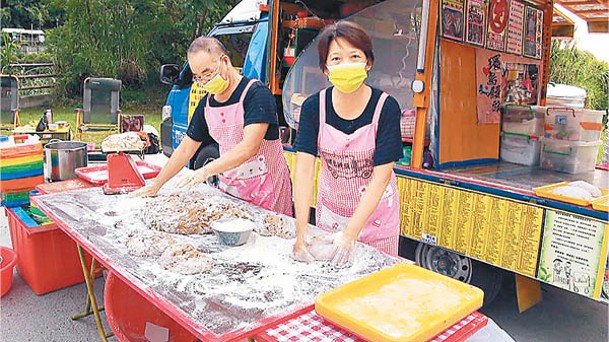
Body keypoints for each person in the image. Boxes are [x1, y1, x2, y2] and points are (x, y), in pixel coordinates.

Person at [132, 36, 292, 216]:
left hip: (267, 194)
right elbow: (186, 149)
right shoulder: (207, 104)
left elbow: (249, 147)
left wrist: (205, 171)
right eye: (198, 77)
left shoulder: (256, 94)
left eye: (207, 73)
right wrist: (156, 186)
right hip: (232, 192)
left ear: (224, 61)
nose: (204, 81)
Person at [292, 21, 403, 264]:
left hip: (377, 222)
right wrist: (301, 231)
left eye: (354, 56)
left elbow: (382, 176)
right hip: (330, 217)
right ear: (325, 68)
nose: (346, 65)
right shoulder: (313, 108)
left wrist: (350, 233)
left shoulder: (386, 108)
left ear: (368, 62)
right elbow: (303, 170)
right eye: (336, 59)